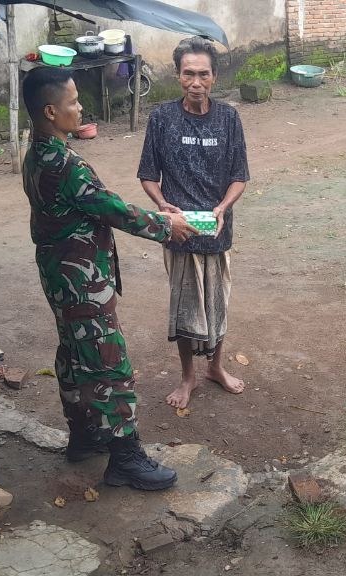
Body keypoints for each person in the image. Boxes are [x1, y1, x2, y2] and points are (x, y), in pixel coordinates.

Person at [21, 66, 197, 491]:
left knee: (75, 353)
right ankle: (125, 457)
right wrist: (164, 225)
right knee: (107, 359)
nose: (80, 108)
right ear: (51, 111)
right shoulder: (62, 162)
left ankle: (84, 436)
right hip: (81, 278)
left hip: (59, 274)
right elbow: (109, 208)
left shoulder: (37, 152)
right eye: (73, 102)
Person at [137, 37, 250, 410]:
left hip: (217, 231)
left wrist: (222, 208)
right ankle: (188, 376)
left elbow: (239, 176)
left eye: (203, 74)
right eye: (189, 74)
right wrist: (163, 205)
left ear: (214, 78)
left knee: (218, 304)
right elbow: (148, 175)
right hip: (180, 230)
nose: (196, 82)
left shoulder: (228, 118)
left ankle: (215, 367)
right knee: (184, 306)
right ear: (178, 75)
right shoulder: (162, 118)